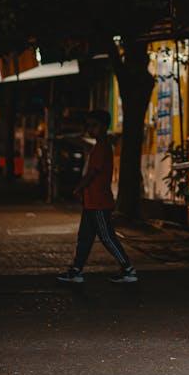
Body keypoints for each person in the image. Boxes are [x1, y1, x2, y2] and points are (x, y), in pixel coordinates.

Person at [56, 110, 138, 284]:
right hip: (92, 201)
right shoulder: (99, 146)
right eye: (89, 126)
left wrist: (78, 188)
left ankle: (128, 269)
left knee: (106, 236)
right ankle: (76, 270)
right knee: (85, 237)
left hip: (99, 201)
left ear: (103, 127)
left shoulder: (101, 148)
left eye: (94, 126)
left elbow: (92, 173)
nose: (90, 129)